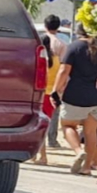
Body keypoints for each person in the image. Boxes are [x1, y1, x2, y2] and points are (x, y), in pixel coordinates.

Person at [54, 24, 97, 176]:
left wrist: (56, 90)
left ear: (78, 32)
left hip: (76, 94)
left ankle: (78, 151)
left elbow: (64, 71)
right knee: (91, 131)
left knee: (67, 125)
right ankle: (87, 167)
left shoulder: (74, 47)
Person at [43, 14, 69, 150]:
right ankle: (52, 140)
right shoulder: (62, 44)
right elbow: (64, 67)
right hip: (55, 83)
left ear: (45, 25)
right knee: (53, 114)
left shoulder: (40, 40)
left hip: (42, 83)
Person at [33, 34, 58, 166]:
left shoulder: (39, 58)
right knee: (45, 127)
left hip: (40, 95)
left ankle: (42, 155)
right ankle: (40, 154)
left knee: (37, 126)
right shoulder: (56, 59)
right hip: (51, 96)